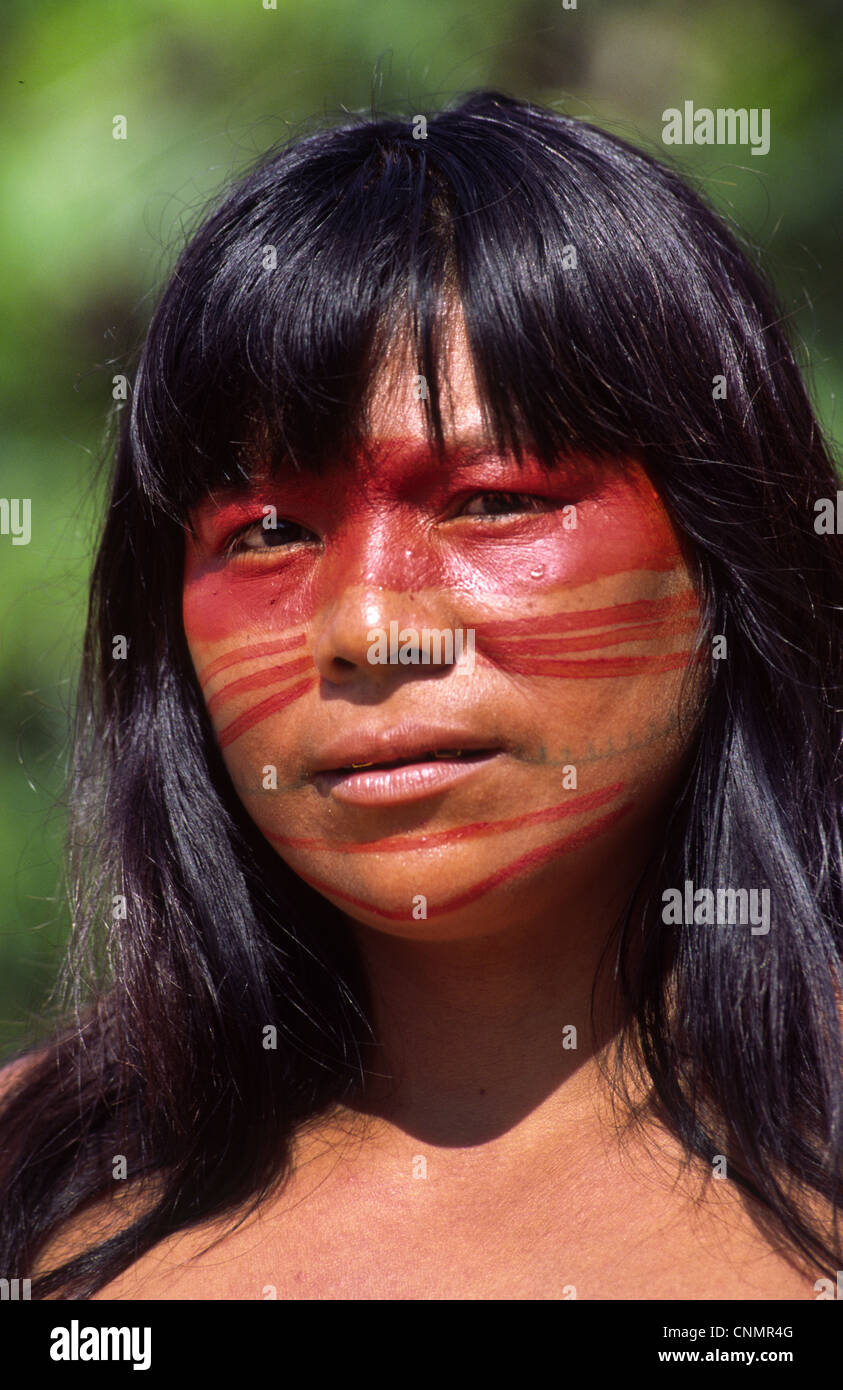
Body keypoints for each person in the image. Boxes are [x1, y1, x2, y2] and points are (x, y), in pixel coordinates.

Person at [0, 89, 840, 1300]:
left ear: (726, 551)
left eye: (494, 501)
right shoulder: (43, 1191)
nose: (368, 626)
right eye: (270, 531)